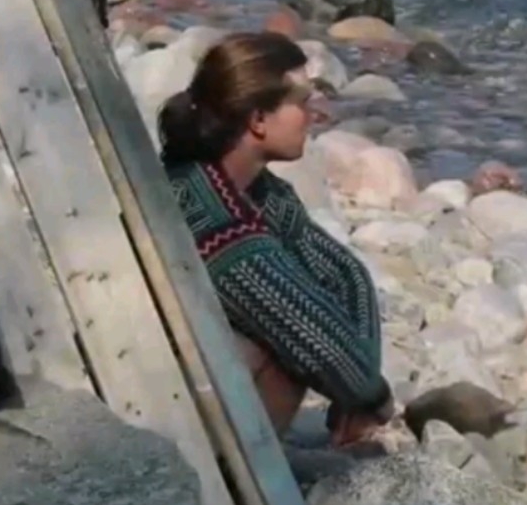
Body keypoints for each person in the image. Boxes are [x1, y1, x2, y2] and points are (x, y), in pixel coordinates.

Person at [159, 31, 395, 447]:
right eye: (302, 102)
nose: (315, 114)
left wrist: (354, 399)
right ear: (258, 120)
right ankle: (239, 481)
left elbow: (346, 275)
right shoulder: (214, 223)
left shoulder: (255, 191)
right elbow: (314, 335)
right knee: (289, 346)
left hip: (189, 367)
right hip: (161, 400)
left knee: (300, 334)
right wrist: (373, 398)